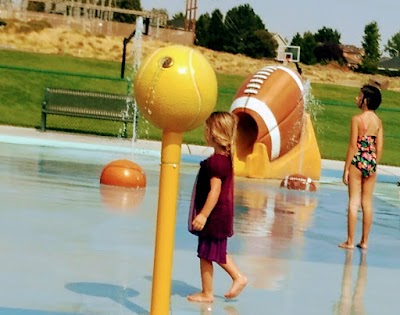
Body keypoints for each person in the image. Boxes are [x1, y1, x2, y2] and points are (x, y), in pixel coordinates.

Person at [187, 111, 247, 303]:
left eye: (207, 128)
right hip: (218, 215)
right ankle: (212, 289)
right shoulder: (223, 158)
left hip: (214, 216)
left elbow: (215, 191)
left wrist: (203, 215)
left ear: (212, 133)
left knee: (209, 254)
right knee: (212, 252)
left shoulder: (216, 162)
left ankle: (229, 281)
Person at [339, 85, 383, 250]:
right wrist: (373, 164)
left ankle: (350, 241)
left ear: (366, 101)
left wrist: (346, 168)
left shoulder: (357, 120)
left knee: (354, 201)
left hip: (357, 160)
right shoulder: (378, 122)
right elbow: (379, 147)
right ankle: (364, 241)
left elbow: (352, 146)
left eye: (359, 96)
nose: (356, 99)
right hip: (371, 161)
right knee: (367, 203)